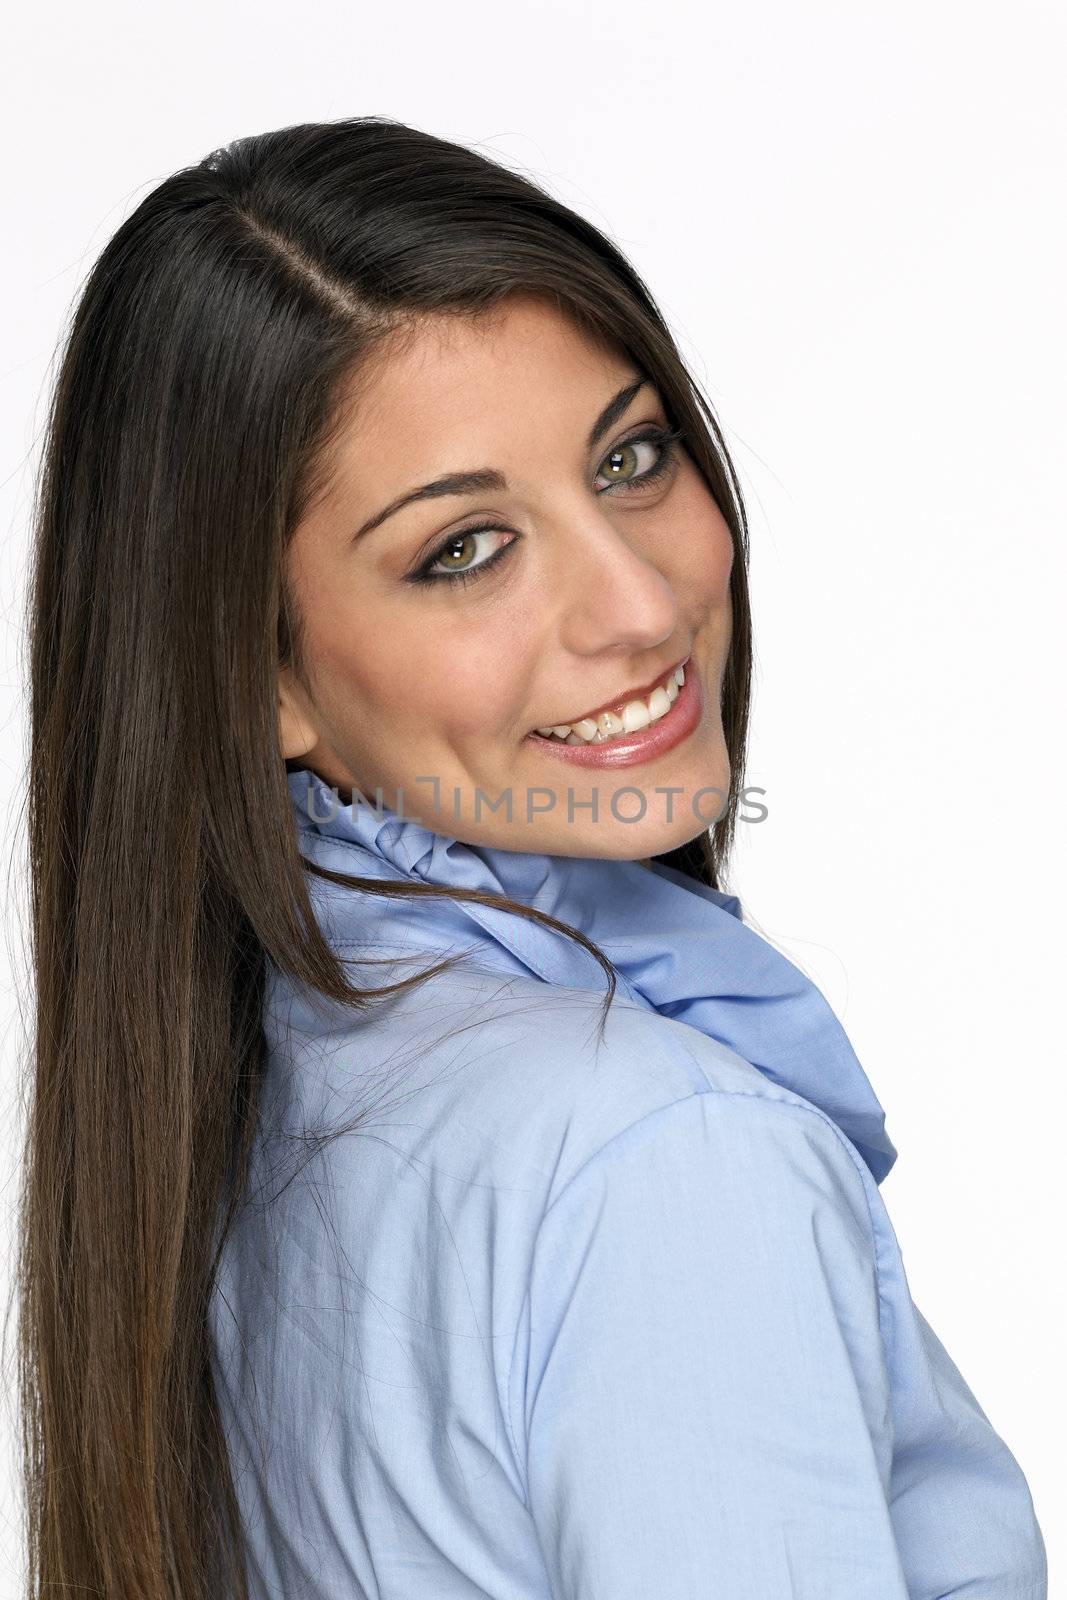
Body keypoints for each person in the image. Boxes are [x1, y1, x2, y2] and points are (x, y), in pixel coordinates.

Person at [16, 116, 1046, 1600]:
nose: (637, 603)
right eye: (463, 550)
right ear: (260, 681)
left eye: (630, 458)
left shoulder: (244, 1095)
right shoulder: (658, 1155)